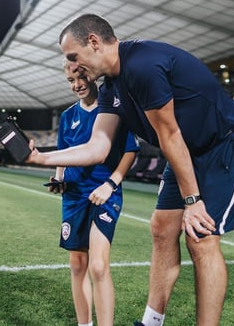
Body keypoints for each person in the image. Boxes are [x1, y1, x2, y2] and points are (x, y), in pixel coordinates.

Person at [27, 14, 234, 326]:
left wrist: (192, 202)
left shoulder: (142, 65)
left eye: (73, 56)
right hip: (185, 151)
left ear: (94, 42)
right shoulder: (110, 88)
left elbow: (170, 134)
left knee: (200, 237)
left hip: (225, 142)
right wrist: (41, 158)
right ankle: (151, 322)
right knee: (162, 228)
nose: (73, 66)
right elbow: (99, 146)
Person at [48, 60, 139, 326]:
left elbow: (131, 151)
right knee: (77, 264)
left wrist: (111, 184)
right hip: (74, 195)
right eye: (70, 81)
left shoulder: (114, 109)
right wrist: (59, 178)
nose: (76, 85)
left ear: (91, 75)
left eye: (80, 77)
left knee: (98, 266)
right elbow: (64, 155)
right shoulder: (68, 116)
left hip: (104, 194)